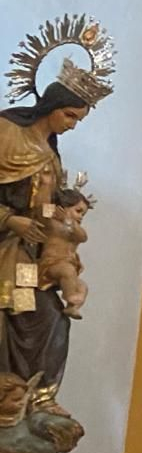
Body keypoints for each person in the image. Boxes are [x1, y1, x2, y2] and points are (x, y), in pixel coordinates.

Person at [0, 82, 91, 405]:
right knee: (10, 314)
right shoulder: (6, 133)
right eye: (69, 115)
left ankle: (33, 398)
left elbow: (45, 204)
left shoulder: (50, 153)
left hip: (28, 256)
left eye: (78, 119)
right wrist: (10, 220)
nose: (72, 124)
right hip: (4, 247)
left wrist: (63, 221)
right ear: (51, 106)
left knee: (48, 317)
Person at [40, 186, 89, 318]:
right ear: (62, 208)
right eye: (78, 211)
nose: (80, 216)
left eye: (83, 214)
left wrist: (68, 221)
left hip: (69, 265)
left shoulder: (74, 229)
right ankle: (70, 297)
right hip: (51, 264)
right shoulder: (52, 224)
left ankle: (71, 307)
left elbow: (83, 237)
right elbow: (41, 214)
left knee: (82, 287)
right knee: (67, 271)